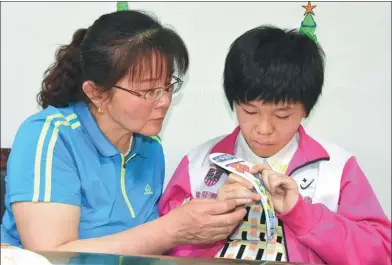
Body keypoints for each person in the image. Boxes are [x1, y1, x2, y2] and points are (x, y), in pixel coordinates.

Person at [0, 10, 247, 255]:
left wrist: (215, 211)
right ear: (97, 93)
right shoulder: (51, 137)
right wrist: (171, 230)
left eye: (168, 85)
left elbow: (143, 245)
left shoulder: (149, 148)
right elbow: (52, 255)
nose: (164, 101)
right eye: (148, 91)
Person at [158, 26, 391, 264]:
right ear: (233, 102)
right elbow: (159, 247)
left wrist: (303, 215)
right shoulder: (199, 163)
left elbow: (380, 254)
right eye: (249, 111)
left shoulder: (336, 168)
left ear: (305, 111)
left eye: (281, 116)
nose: (264, 128)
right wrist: (213, 218)